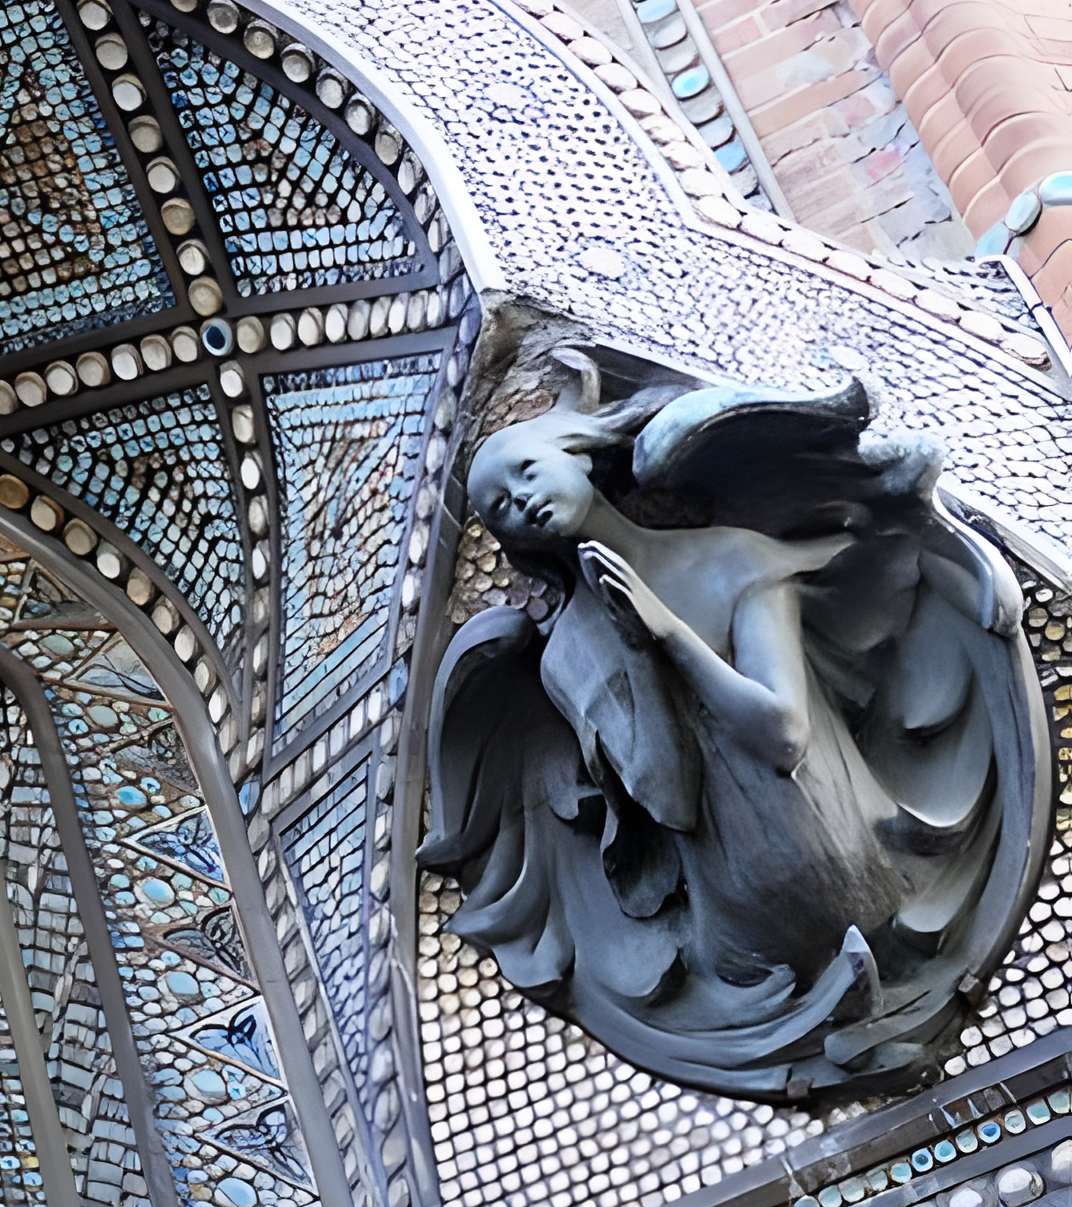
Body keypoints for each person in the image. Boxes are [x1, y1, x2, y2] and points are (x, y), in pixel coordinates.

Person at [422, 352, 1044, 1100]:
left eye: (525, 471)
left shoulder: (729, 557)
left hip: (855, 858)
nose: (518, 502)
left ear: (581, 458)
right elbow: (667, 796)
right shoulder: (568, 655)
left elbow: (782, 734)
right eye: (496, 509)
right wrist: (636, 653)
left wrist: (670, 638)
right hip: (744, 927)